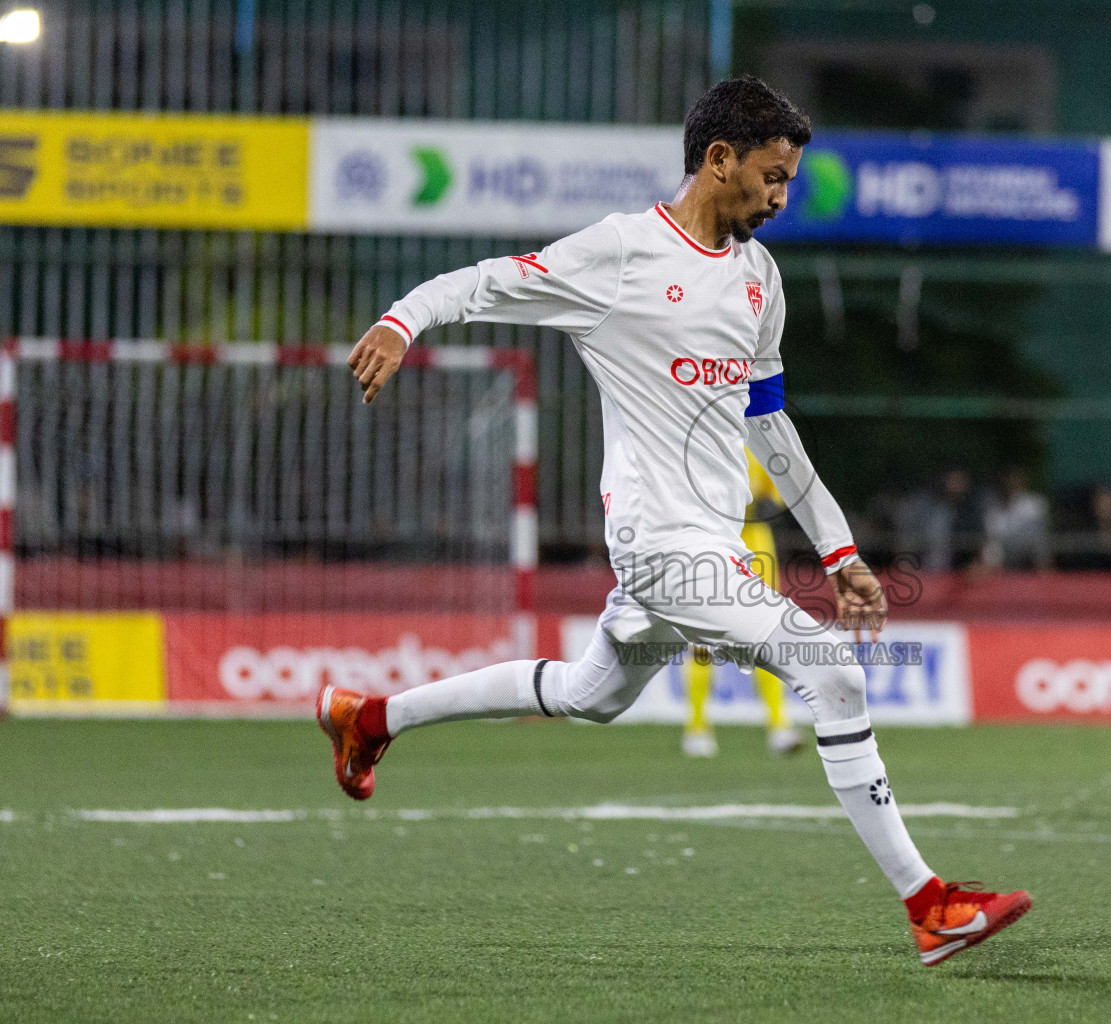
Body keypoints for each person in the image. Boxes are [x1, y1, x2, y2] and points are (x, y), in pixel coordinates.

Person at [317, 76, 1029, 967]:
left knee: (591, 695)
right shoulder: (619, 255)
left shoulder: (760, 280)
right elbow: (485, 282)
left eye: (790, 182)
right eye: (771, 176)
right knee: (833, 676)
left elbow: (768, 426)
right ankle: (930, 907)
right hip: (659, 544)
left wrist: (839, 547)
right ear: (717, 159)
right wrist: (401, 320)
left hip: (711, 542)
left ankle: (371, 717)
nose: (781, 197)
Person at [681, 450, 804, 758]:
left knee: (766, 634)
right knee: (702, 639)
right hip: (708, 540)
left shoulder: (755, 438)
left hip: (754, 543)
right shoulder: (697, 436)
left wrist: (767, 505)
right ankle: (696, 727)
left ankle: (779, 726)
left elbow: (775, 493)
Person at [982, 466, 1049, 570]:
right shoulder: (991, 506)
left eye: (1015, 479)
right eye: (1007, 479)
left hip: (1031, 558)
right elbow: (992, 540)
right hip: (1001, 562)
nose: (1011, 483)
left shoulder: (1035, 504)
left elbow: (1038, 540)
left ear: (1022, 481)